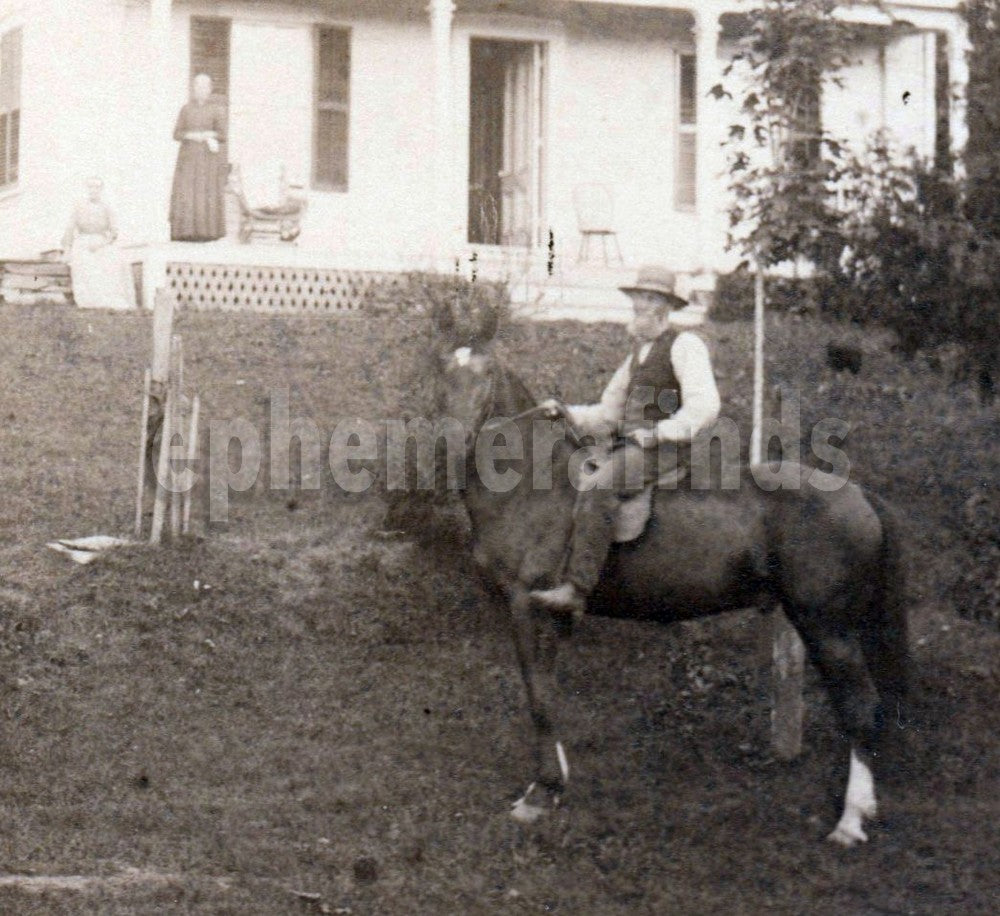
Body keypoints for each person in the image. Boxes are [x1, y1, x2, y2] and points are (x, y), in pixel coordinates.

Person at [530, 264, 721, 617]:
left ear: (663, 307)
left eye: (644, 300)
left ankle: (577, 589)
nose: (636, 307)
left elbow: (706, 406)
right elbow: (608, 413)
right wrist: (564, 411)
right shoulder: (636, 356)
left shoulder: (685, 344)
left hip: (664, 451)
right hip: (631, 447)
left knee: (599, 484)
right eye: (635, 298)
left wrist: (659, 433)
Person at [61, 177, 137, 311]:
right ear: (86, 189)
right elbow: (69, 229)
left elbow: (114, 232)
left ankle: (108, 300)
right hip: (83, 242)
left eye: (96, 187)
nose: (93, 190)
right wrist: (67, 250)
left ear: (101, 190)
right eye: (90, 187)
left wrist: (102, 244)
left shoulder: (106, 208)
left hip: (102, 242)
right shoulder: (79, 207)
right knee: (84, 261)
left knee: (112, 261)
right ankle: (88, 301)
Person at [169, 73, 227, 241]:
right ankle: (185, 232)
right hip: (188, 159)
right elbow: (176, 133)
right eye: (197, 86)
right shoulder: (186, 109)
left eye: (204, 87)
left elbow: (223, 135)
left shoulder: (216, 110)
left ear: (210, 89)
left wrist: (209, 134)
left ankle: (206, 232)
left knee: (204, 192)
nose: (200, 90)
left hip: (207, 161)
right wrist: (191, 135)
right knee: (187, 192)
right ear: (193, 89)